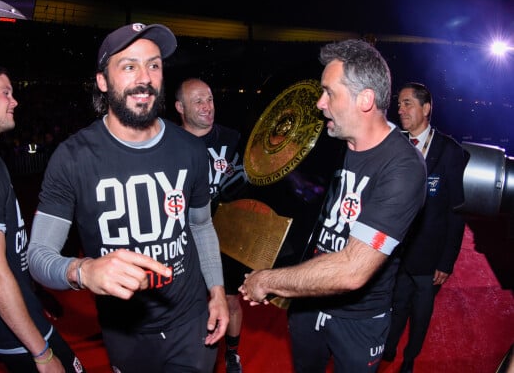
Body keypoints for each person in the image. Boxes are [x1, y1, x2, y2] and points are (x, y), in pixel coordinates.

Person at [27, 23, 229, 373]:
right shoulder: (73, 157)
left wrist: (217, 291)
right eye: (129, 66)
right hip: (126, 332)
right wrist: (83, 271)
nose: (145, 78)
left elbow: (201, 225)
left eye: (154, 65)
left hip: (191, 323)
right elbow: (38, 256)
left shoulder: (191, 150)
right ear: (103, 81)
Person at [239, 38, 428, 372]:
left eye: (329, 92)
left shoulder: (403, 167)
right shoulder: (332, 144)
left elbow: (353, 270)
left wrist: (267, 281)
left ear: (365, 100)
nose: (319, 103)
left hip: (359, 319)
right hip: (308, 303)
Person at [0, 65, 84, 372]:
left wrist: (32, 296)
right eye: (5, 93)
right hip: (13, 330)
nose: (15, 101)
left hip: (11, 317)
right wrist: (43, 354)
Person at [382, 82, 468, 373]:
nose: (400, 109)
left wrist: (447, 260)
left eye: (407, 103)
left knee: (420, 314)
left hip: (429, 256)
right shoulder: (394, 144)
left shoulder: (449, 151)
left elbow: (457, 212)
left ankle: (409, 359)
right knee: (396, 303)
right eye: (400, 104)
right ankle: (389, 347)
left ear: (426, 108)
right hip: (394, 252)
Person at [175, 77, 249, 373]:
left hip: (229, 237)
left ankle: (231, 353)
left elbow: (252, 181)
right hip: (186, 238)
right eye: (198, 101)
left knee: (229, 299)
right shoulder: (170, 144)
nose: (207, 107)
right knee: (189, 304)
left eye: (210, 99)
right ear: (180, 107)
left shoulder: (234, 139)